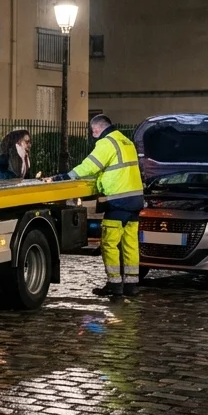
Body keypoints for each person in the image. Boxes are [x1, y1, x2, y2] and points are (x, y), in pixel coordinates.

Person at [48, 115, 144, 298]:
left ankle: (114, 285)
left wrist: (66, 176)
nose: (93, 135)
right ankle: (132, 285)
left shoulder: (107, 143)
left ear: (96, 130)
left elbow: (90, 166)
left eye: (93, 132)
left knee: (109, 243)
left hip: (118, 200)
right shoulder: (126, 141)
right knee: (130, 243)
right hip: (135, 199)